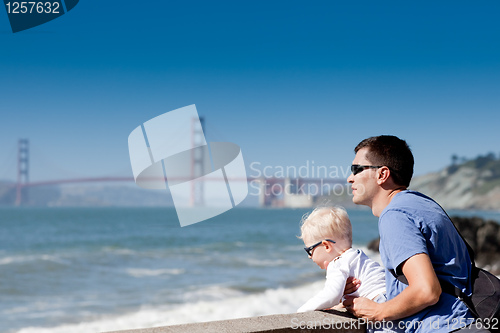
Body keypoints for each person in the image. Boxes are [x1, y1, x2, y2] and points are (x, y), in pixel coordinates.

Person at [344, 135, 488, 333]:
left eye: (356, 169)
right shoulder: (425, 205)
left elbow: (426, 290)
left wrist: (378, 311)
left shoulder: (394, 214)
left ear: (382, 174)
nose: (350, 178)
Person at [297, 206, 387, 313]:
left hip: (378, 302)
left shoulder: (337, 263)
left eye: (309, 250)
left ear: (326, 246)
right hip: (392, 297)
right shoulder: (357, 256)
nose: (309, 256)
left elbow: (331, 295)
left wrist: (301, 311)